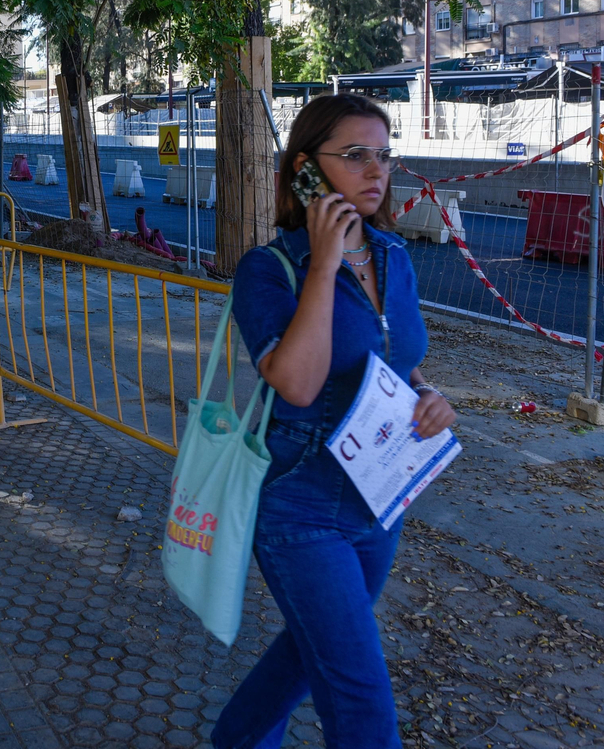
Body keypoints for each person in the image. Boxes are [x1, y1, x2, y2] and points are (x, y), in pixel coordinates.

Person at [211, 93, 457, 749]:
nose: (376, 170)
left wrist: (427, 394)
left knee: (309, 653)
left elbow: (395, 357)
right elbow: (296, 381)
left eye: (383, 154)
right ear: (306, 171)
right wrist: (324, 263)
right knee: (360, 698)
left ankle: (235, 740)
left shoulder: (393, 258)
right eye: (354, 156)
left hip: (379, 502)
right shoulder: (270, 270)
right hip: (301, 506)